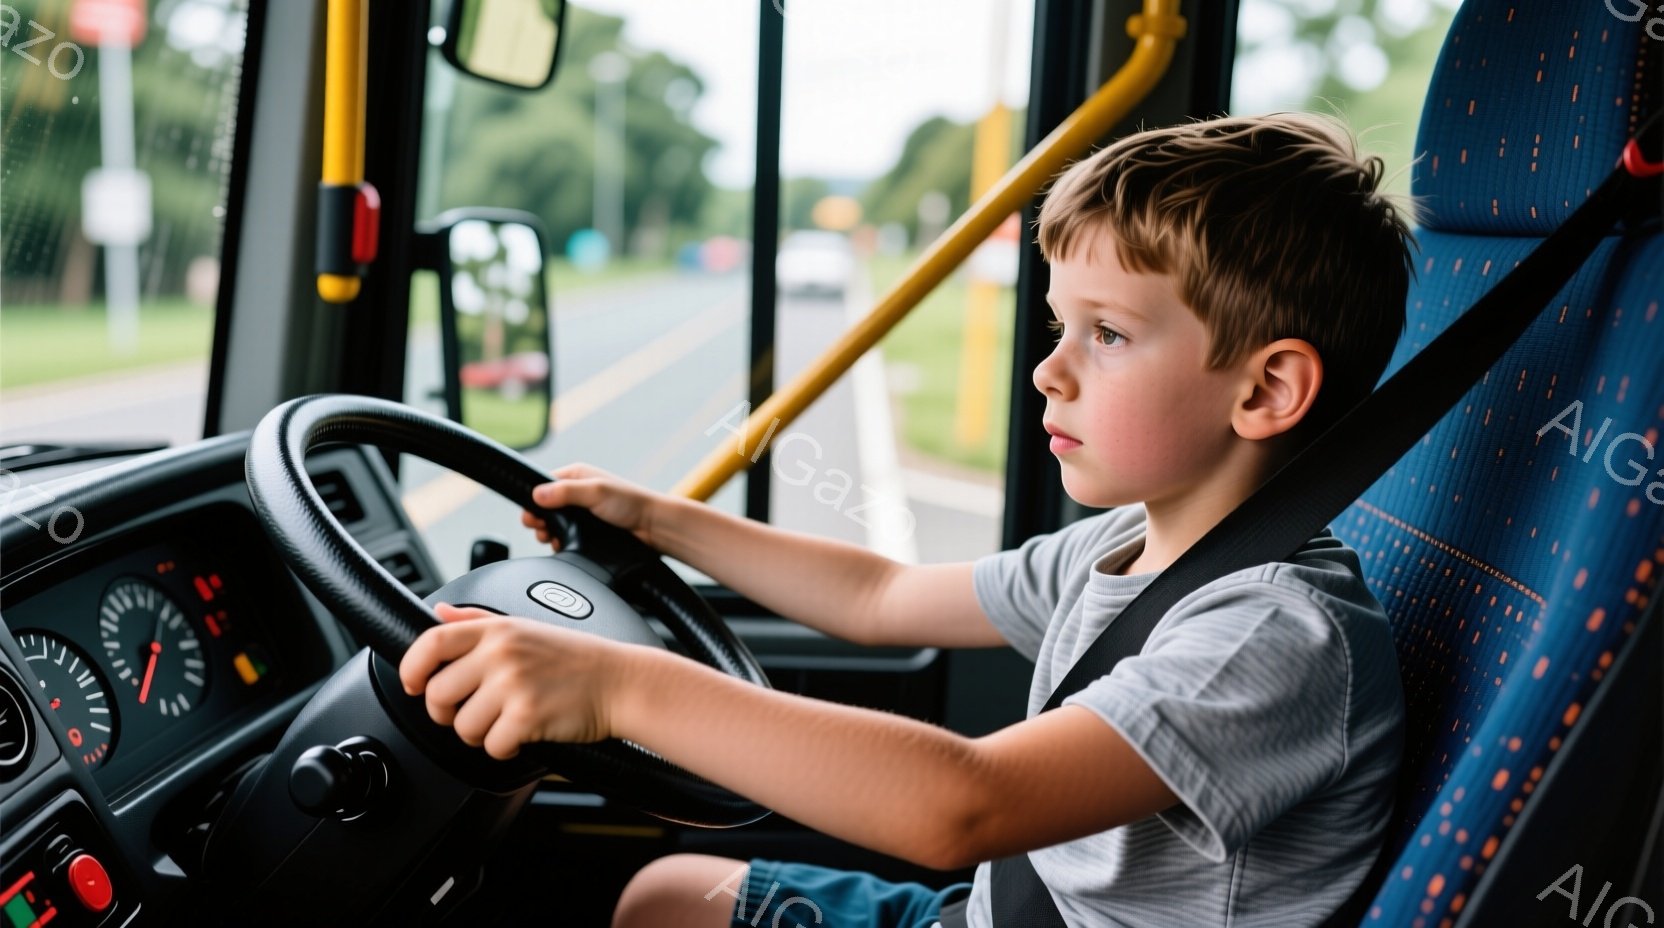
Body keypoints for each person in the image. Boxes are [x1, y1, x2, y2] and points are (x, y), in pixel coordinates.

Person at [398, 111, 1414, 928]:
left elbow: (960, 804)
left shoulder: (1271, 635)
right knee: (669, 896)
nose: (1045, 369)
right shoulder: (1123, 548)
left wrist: (617, 687)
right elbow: (877, 595)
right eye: (1060, 324)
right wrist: (661, 522)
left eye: (1104, 334)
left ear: (1266, 390)